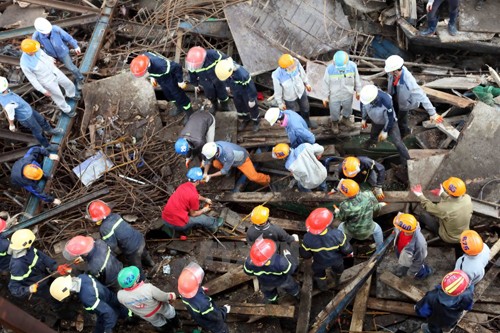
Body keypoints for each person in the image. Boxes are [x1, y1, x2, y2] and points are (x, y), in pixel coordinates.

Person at [8, 229, 71, 312]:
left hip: (45, 275)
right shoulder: (18, 265)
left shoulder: (28, 249)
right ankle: (60, 309)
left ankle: (63, 296)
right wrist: (29, 289)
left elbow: (43, 257)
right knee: (51, 297)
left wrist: (55, 267)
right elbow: (14, 288)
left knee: (56, 286)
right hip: (40, 287)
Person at [87, 200, 154, 277]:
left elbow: (112, 245)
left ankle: (142, 280)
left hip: (132, 249)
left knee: (136, 268)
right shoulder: (115, 216)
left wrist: (101, 247)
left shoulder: (104, 228)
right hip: (139, 239)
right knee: (144, 253)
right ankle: (151, 263)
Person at [385, 55, 443, 137]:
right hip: (395, 97)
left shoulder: (408, 79)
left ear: (396, 70)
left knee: (402, 120)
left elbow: (421, 95)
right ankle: (394, 127)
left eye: (390, 71)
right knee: (394, 114)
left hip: (404, 103)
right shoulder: (392, 73)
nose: (389, 72)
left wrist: (433, 113)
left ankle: (404, 134)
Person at [50, 273, 131, 333]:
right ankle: (129, 318)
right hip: (108, 296)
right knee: (122, 310)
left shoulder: (86, 297)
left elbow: (109, 313)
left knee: (101, 327)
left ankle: (128, 320)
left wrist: (108, 330)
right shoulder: (82, 277)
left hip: (105, 306)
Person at [0, 76, 62, 149]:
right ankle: (47, 146)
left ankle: (50, 130)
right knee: (38, 131)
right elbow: (11, 116)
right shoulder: (8, 104)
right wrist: (12, 125)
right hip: (26, 118)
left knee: (42, 120)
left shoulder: (6, 93)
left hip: (28, 110)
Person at [20, 39, 77, 117]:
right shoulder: (25, 64)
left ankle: (72, 94)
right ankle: (67, 110)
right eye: (34, 51)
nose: (36, 51)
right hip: (46, 80)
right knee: (57, 95)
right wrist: (42, 90)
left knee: (68, 83)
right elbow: (32, 79)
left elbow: (45, 55)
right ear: (28, 52)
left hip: (54, 71)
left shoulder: (36, 49)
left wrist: (50, 59)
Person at [300, 208, 353, 291]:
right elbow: (347, 250)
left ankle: (323, 287)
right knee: (338, 269)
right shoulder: (337, 235)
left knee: (319, 273)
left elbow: (305, 255)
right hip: (336, 260)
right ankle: (337, 280)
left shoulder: (307, 238)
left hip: (320, 261)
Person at [130, 53, 192, 121]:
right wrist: (152, 78)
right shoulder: (142, 58)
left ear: (147, 67)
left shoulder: (161, 65)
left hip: (170, 79)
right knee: (169, 95)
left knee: (179, 96)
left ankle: (189, 112)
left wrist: (180, 81)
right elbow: (149, 72)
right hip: (161, 80)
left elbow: (177, 67)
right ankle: (179, 108)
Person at [359, 84, 411, 166]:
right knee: (373, 134)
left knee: (398, 142)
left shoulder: (386, 100)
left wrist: (385, 130)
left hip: (391, 123)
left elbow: (390, 118)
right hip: (376, 121)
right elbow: (363, 107)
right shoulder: (365, 98)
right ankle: (372, 141)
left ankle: (407, 161)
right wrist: (364, 119)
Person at [117, 266, 180, 333]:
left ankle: (169, 330)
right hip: (159, 307)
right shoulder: (147, 288)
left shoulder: (120, 295)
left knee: (158, 322)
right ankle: (176, 323)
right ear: (135, 279)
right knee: (169, 312)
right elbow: (162, 297)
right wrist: (171, 296)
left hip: (146, 314)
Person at [161, 167, 223, 235]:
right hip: (177, 224)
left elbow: (196, 196)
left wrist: (205, 199)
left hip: (165, 219)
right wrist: (204, 210)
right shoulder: (193, 195)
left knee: (185, 211)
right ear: (197, 181)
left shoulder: (182, 186)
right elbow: (193, 214)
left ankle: (185, 230)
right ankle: (214, 224)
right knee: (201, 218)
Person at [411, 177, 472, 244]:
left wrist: (419, 194)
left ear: (449, 192)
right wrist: (442, 193)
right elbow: (455, 201)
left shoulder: (444, 209)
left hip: (449, 237)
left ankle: (417, 231)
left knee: (423, 216)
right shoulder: (467, 198)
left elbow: (428, 206)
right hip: (464, 234)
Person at [32, 17, 84, 89]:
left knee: (71, 68)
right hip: (50, 55)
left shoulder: (56, 29)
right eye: (45, 32)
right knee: (53, 72)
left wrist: (76, 46)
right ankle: (63, 87)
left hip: (63, 52)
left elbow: (68, 37)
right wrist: (47, 57)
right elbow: (37, 50)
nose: (48, 32)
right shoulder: (36, 36)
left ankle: (80, 79)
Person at [244, 237, 300, 303]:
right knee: (291, 287)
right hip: (282, 280)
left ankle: (273, 301)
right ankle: (296, 294)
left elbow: (248, 272)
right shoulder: (280, 261)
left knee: (269, 293)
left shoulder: (249, 262)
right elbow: (291, 269)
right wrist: (288, 256)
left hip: (265, 283)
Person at [178, 262, 230, 333]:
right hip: (213, 325)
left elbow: (191, 293)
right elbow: (216, 316)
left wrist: (200, 289)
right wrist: (225, 310)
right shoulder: (203, 304)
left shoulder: (183, 291)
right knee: (221, 329)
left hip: (199, 319)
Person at [335, 179, 385, 251]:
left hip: (351, 231)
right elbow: (376, 209)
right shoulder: (369, 194)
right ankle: (380, 249)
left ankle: (342, 246)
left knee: (340, 227)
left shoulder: (344, 205)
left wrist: (337, 212)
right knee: (378, 230)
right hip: (368, 229)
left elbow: (341, 218)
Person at [215, 58, 260, 132]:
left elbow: (251, 87)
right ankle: (246, 119)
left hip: (246, 92)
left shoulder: (243, 75)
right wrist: (227, 86)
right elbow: (226, 78)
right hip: (236, 91)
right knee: (239, 105)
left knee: (252, 107)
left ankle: (256, 121)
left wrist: (252, 99)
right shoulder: (225, 69)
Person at [272, 54, 316, 128]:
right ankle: (297, 125)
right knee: (292, 113)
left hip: (301, 91)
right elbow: (277, 91)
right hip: (289, 97)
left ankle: (306, 121)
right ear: (285, 68)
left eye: (293, 65)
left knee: (305, 108)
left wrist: (307, 83)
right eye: (291, 67)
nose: (293, 67)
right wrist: (280, 103)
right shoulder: (277, 76)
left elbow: (302, 73)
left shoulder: (296, 62)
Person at [322, 51, 361, 134]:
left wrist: (358, 91)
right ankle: (335, 123)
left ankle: (345, 119)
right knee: (334, 111)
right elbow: (325, 83)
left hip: (348, 93)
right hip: (334, 95)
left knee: (348, 108)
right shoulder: (329, 69)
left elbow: (357, 79)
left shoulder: (352, 66)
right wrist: (325, 97)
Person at [201, 141, 270, 187]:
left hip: (242, 161)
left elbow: (224, 171)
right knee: (215, 164)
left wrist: (210, 176)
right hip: (228, 160)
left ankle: (267, 180)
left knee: (253, 177)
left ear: (215, 153)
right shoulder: (214, 146)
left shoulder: (229, 154)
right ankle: (229, 168)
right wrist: (205, 173)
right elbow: (208, 160)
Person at [186, 46, 229, 114]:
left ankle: (225, 106)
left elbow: (226, 61)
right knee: (210, 95)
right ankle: (215, 106)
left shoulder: (212, 55)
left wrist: (227, 81)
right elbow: (192, 74)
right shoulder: (193, 63)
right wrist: (195, 85)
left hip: (218, 78)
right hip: (206, 82)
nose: (197, 66)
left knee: (223, 94)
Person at [393, 213, 433, 280]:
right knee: (405, 265)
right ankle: (405, 269)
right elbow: (400, 221)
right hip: (403, 254)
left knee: (419, 270)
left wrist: (411, 272)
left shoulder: (420, 244)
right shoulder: (406, 225)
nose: (396, 227)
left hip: (412, 260)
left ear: (405, 229)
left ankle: (424, 273)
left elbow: (419, 260)